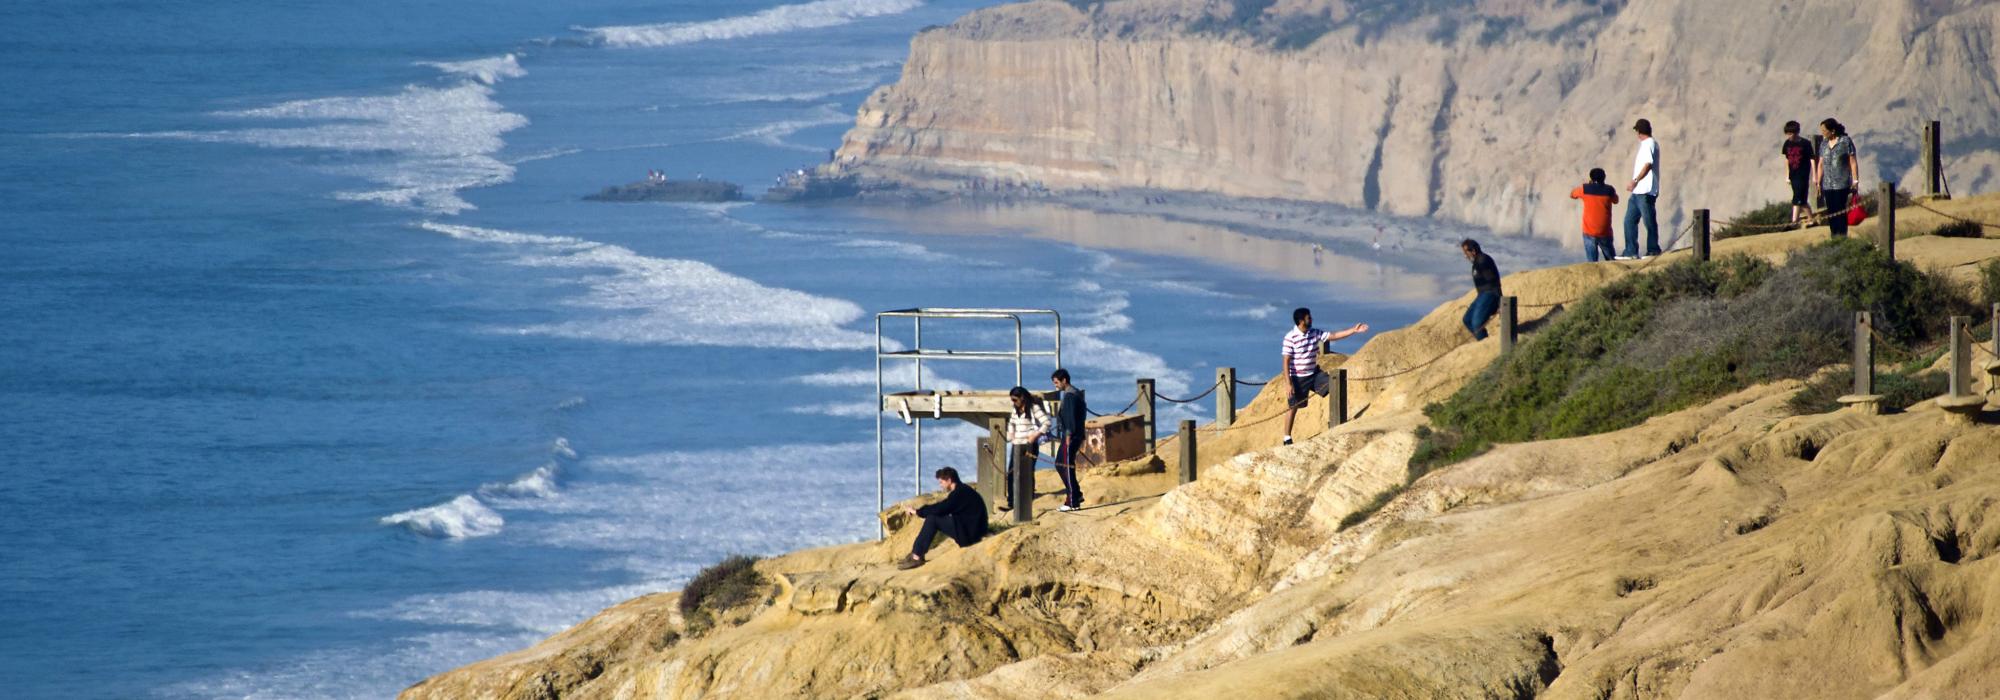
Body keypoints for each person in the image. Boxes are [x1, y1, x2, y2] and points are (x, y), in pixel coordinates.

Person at [1281, 308, 1369, 446]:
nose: (1311, 320)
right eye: (1308, 318)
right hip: (1298, 378)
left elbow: (1333, 336)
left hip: (1314, 374)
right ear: (1301, 321)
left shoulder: (1314, 333)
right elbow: (1286, 361)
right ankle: (1287, 438)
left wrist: (1353, 330)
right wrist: (1288, 383)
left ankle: (1336, 422)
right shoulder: (1290, 337)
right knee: (1293, 407)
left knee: (1335, 386)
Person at [896, 467, 987, 570]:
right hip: (971, 529)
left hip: (970, 535)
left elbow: (941, 509)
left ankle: (916, 556)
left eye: (941, 482)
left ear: (949, 480)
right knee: (934, 516)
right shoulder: (963, 490)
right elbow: (943, 507)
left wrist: (918, 511)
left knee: (933, 519)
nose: (941, 485)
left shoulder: (959, 494)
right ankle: (916, 552)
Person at [1002, 386, 1050, 513]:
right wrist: (1010, 434)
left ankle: (1028, 498)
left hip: (1029, 444)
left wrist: (1035, 435)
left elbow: (1046, 423)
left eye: (1014, 399)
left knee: (1027, 471)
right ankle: (1011, 502)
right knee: (1011, 472)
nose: (1013, 402)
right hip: (1016, 444)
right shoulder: (1015, 409)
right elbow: (1011, 423)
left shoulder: (1034, 408)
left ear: (1022, 397)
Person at [1620, 118, 1662, 260]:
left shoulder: (1649, 143)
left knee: (1649, 220)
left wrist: (1635, 181)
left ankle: (1653, 250)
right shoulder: (1646, 144)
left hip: (1646, 190)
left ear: (1639, 131)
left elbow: (1648, 164)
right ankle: (1630, 251)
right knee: (1629, 221)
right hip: (1638, 192)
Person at [1048, 369, 1088, 511]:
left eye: (1057, 382)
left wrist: (1068, 436)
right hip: (1072, 435)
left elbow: (1070, 417)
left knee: (1064, 465)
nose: (1056, 386)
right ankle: (1076, 494)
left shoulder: (1071, 395)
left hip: (1071, 436)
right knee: (1061, 464)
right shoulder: (1074, 393)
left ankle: (1072, 501)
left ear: (1064, 380)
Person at [1814, 118, 1861, 238]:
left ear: (1832, 131)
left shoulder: (1845, 141)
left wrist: (1855, 181)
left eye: (1824, 130)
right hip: (1827, 184)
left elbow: (1853, 162)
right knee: (1831, 212)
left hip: (1842, 183)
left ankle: (1842, 236)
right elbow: (1820, 164)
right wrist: (1818, 182)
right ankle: (1834, 236)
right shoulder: (1824, 144)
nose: (1823, 132)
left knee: (1840, 211)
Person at [1570, 168, 1620, 262]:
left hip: (1589, 232)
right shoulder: (1609, 190)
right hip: (1605, 231)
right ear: (1604, 177)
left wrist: (1589, 184)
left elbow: (1572, 195)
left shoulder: (1585, 189)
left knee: (1592, 263)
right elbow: (1616, 200)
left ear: (1591, 178)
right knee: (1611, 260)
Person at [1460, 238, 1503, 339]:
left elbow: (1494, 281)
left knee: (1477, 324)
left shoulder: (1483, 260)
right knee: (1467, 319)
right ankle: (1483, 341)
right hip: (1482, 295)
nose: (1465, 256)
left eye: (1466, 253)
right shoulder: (1476, 263)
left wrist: (1500, 301)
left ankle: (1486, 344)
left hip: (1491, 294)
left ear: (1473, 251)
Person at [1780, 121, 1818, 226]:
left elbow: (1812, 159)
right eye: (1787, 134)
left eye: (1791, 133)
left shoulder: (1805, 143)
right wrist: (1787, 175)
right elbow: (1787, 160)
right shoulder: (1787, 143)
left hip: (1803, 174)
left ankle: (1794, 222)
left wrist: (1814, 175)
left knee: (1797, 197)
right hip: (1793, 174)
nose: (1789, 136)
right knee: (1801, 199)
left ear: (1797, 132)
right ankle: (1811, 220)